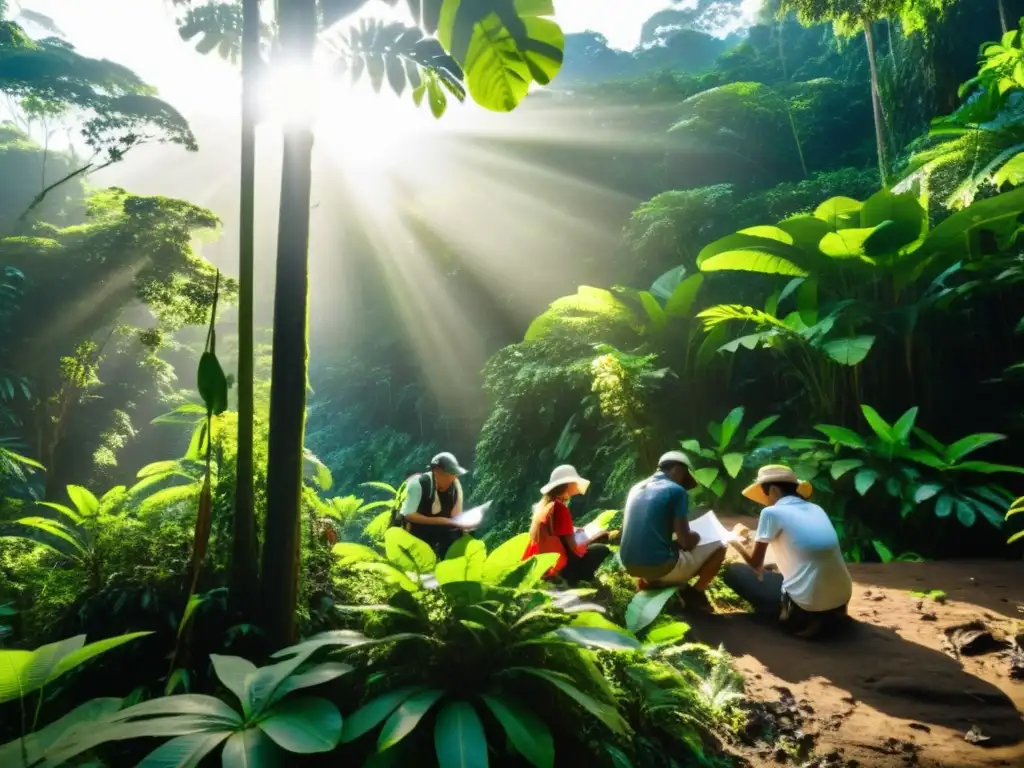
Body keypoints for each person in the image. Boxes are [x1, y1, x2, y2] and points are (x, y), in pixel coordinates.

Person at [724, 465, 853, 639]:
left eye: (766, 494)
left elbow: (756, 564)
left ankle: (782, 617)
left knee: (734, 572)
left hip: (807, 607)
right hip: (840, 600)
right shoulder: (816, 509)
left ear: (774, 490)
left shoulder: (771, 513)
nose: (767, 500)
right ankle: (830, 619)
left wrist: (734, 540)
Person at [619, 451, 727, 611]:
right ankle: (696, 593)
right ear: (679, 470)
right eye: (684, 476)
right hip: (659, 565)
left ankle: (652, 582)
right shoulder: (676, 490)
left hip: (629, 564)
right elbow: (685, 541)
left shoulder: (635, 488)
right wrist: (695, 537)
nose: (684, 483)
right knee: (721, 544)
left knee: (669, 545)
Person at [522, 464, 611, 585]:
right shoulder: (559, 507)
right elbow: (573, 547)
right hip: (561, 568)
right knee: (601, 549)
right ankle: (579, 582)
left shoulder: (545, 506)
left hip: (545, 565)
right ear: (568, 484)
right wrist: (597, 537)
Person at [398, 452, 468, 557]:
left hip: (441, 531)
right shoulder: (418, 484)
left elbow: (456, 515)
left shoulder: (455, 486)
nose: (453, 478)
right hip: (417, 532)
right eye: (449, 474)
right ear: (437, 472)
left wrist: (463, 525)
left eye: (454, 475)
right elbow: (409, 514)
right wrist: (439, 521)